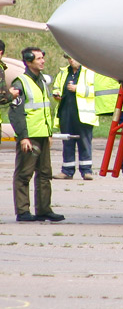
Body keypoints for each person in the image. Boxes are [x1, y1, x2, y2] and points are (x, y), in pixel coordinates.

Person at [10, 47, 64, 222]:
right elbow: (16, 112)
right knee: (24, 174)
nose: (43, 61)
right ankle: (23, 211)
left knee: (45, 174)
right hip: (30, 136)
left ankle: (43, 209)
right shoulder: (21, 83)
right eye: (38, 58)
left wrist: (49, 133)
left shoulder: (41, 81)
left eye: (43, 57)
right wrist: (23, 136)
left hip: (42, 133)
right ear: (28, 61)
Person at [52, 55, 107, 180]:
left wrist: (78, 89)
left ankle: (87, 171)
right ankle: (67, 171)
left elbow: (97, 90)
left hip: (83, 114)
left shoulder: (90, 72)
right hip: (66, 112)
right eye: (69, 58)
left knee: (84, 142)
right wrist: (57, 94)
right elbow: (57, 86)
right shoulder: (64, 72)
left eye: (73, 58)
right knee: (67, 142)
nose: (71, 61)